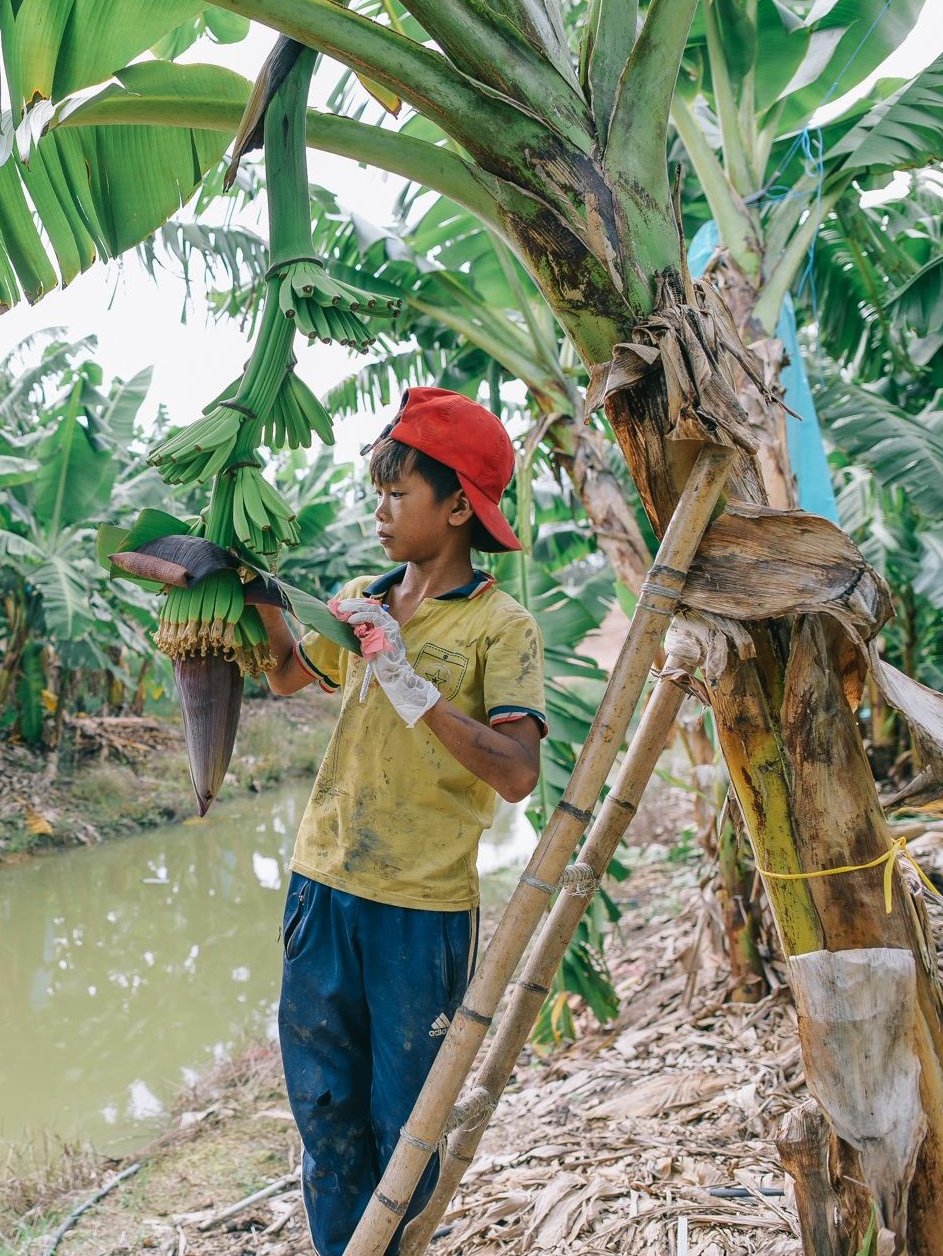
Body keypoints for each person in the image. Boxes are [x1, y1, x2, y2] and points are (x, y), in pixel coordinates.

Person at [250, 386, 547, 1255]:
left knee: (404, 1130)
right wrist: (261, 593)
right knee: (325, 1114)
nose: (380, 512)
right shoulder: (366, 597)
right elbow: (284, 676)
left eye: (397, 494)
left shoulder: (502, 625)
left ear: (459, 506)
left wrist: (412, 683)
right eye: (376, 493)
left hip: (419, 911)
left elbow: (519, 772)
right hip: (323, 886)